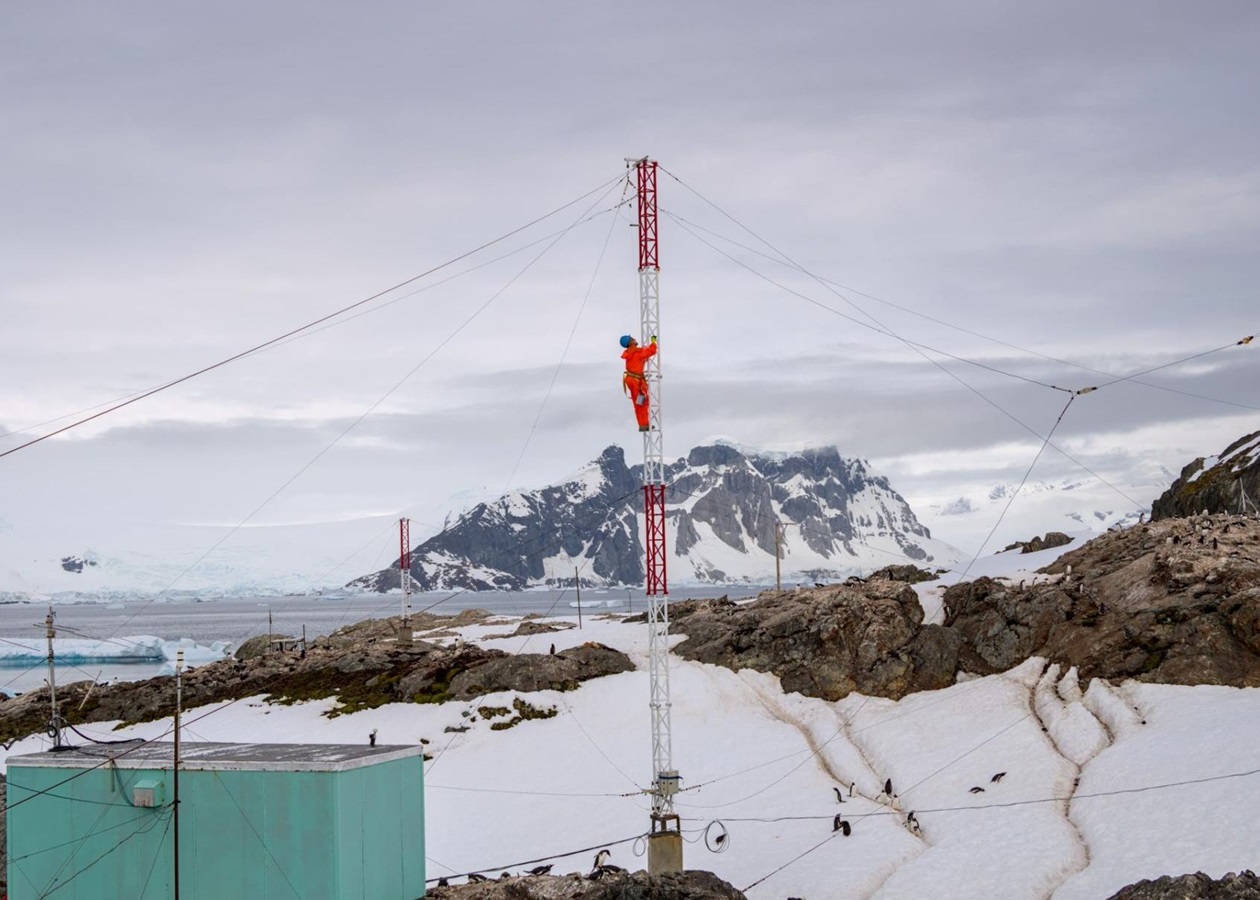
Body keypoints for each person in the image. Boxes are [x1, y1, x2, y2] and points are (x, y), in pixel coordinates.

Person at [620, 334, 657, 431]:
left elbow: (643, 357)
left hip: (633, 380)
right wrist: (653, 343)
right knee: (641, 403)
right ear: (630, 342)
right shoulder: (636, 352)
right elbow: (651, 351)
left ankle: (643, 424)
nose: (634, 339)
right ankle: (644, 424)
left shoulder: (630, 353)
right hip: (636, 382)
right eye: (632, 339)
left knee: (639, 403)